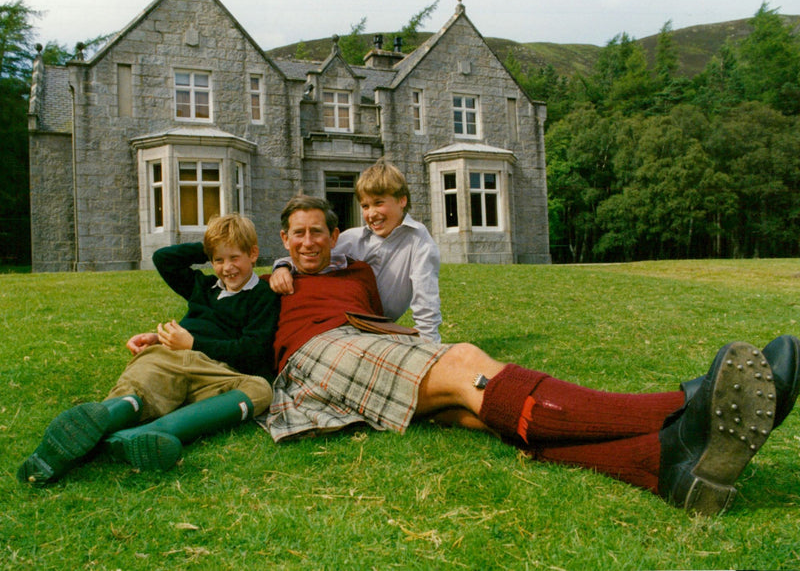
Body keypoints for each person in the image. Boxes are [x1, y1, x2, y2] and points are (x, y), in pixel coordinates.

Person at [260, 195, 800, 515]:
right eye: (296, 235)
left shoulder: (357, 271)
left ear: (337, 235)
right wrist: (270, 274)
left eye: (317, 232)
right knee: (465, 363)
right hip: (318, 353)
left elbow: (390, 292)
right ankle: (681, 406)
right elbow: (204, 278)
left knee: (476, 408)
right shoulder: (268, 284)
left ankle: (664, 467)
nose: (308, 242)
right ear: (283, 238)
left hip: (374, 340)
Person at [18, 213, 279, 483]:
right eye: (218, 260)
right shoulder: (202, 286)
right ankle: (90, 430)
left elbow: (254, 350)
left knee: (260, 390)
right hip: (171, 356)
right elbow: (164, 259)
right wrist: (212, 246)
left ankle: (143, 435)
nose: (227, 268)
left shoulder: (263, 294)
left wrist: (194, 343)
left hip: (215, 373)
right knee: (139, 389)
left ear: (253, 254)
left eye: (234, 257)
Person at [270, 159, 441, 342]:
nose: (371, 213)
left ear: (402, 200)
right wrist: (282, 266)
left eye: (378, 203)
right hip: (341, 319)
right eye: (365, 206)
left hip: (377, 324)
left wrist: (429, 345)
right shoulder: (353, 238)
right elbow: (311, 255)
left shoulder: (419, 242)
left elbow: (426, 303)